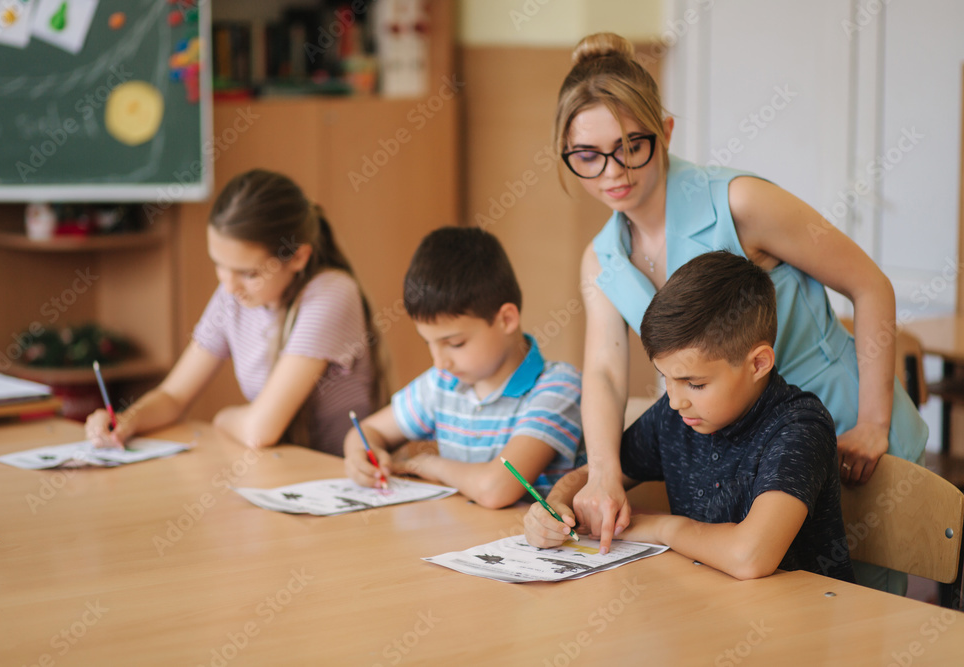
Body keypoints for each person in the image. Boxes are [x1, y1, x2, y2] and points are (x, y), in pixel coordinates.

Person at [556, 32, 926, 592]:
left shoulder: (740, 202)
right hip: (736, 455)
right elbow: (605, 373)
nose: (614, 171)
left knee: (859, 611)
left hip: (847, 433)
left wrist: (874, 422)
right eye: (588, 156)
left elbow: (869, 285)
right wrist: (603, 472)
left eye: (633, 144)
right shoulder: (601, 260)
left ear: (667, 130)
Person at [525, 251, 855, 582]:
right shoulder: (678, 415)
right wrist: (554, 509)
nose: (674, 401)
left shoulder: (799, 428)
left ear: (758, 364)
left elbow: (750, 556)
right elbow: (592, 476)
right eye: (665, 378)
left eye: (694, 383)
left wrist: (660, 526)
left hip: (800, 620)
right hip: (709, 607)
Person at [86, 169, 386, 456]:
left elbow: (259, 431)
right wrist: (129, 419)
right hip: (281, 476)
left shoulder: (331, 293)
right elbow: (174, 396)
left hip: (336, 481)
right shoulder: (236, 295)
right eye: (219, 264)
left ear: (297, 258)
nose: (228, 287)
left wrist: (222, 418)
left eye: (249, 273)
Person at [343, 226, 583, 509]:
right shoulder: (442, 383)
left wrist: (430, 465)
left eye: (455, 344)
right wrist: (362, 456)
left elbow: (496, 488)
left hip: (529, 546)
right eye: (428, 344)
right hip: (459, 543)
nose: (439, 362)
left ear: (506, 319)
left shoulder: (558, 387)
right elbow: (367, 430)